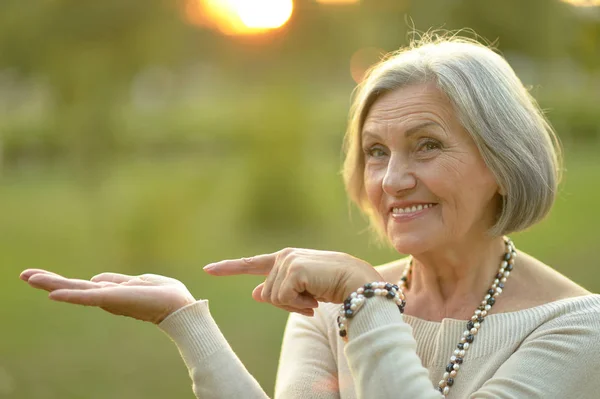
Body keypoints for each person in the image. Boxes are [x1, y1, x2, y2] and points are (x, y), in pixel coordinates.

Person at [20, 35, 600, 398]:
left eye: (426, 145)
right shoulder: (331, 306)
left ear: (502, 161)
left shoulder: (578, 328)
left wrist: (366, 298)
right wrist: (184, 320)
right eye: (376, 151)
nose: (392, 179)